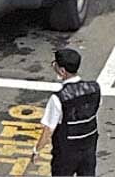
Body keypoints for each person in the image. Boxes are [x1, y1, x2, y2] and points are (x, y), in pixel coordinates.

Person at [32, 48, 100, 177]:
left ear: (62, 71)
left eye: (55, 65)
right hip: (88, 150)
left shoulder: (58, 98)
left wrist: (37, 150)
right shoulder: (95, 88)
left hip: (65, 154)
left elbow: (48, 130)